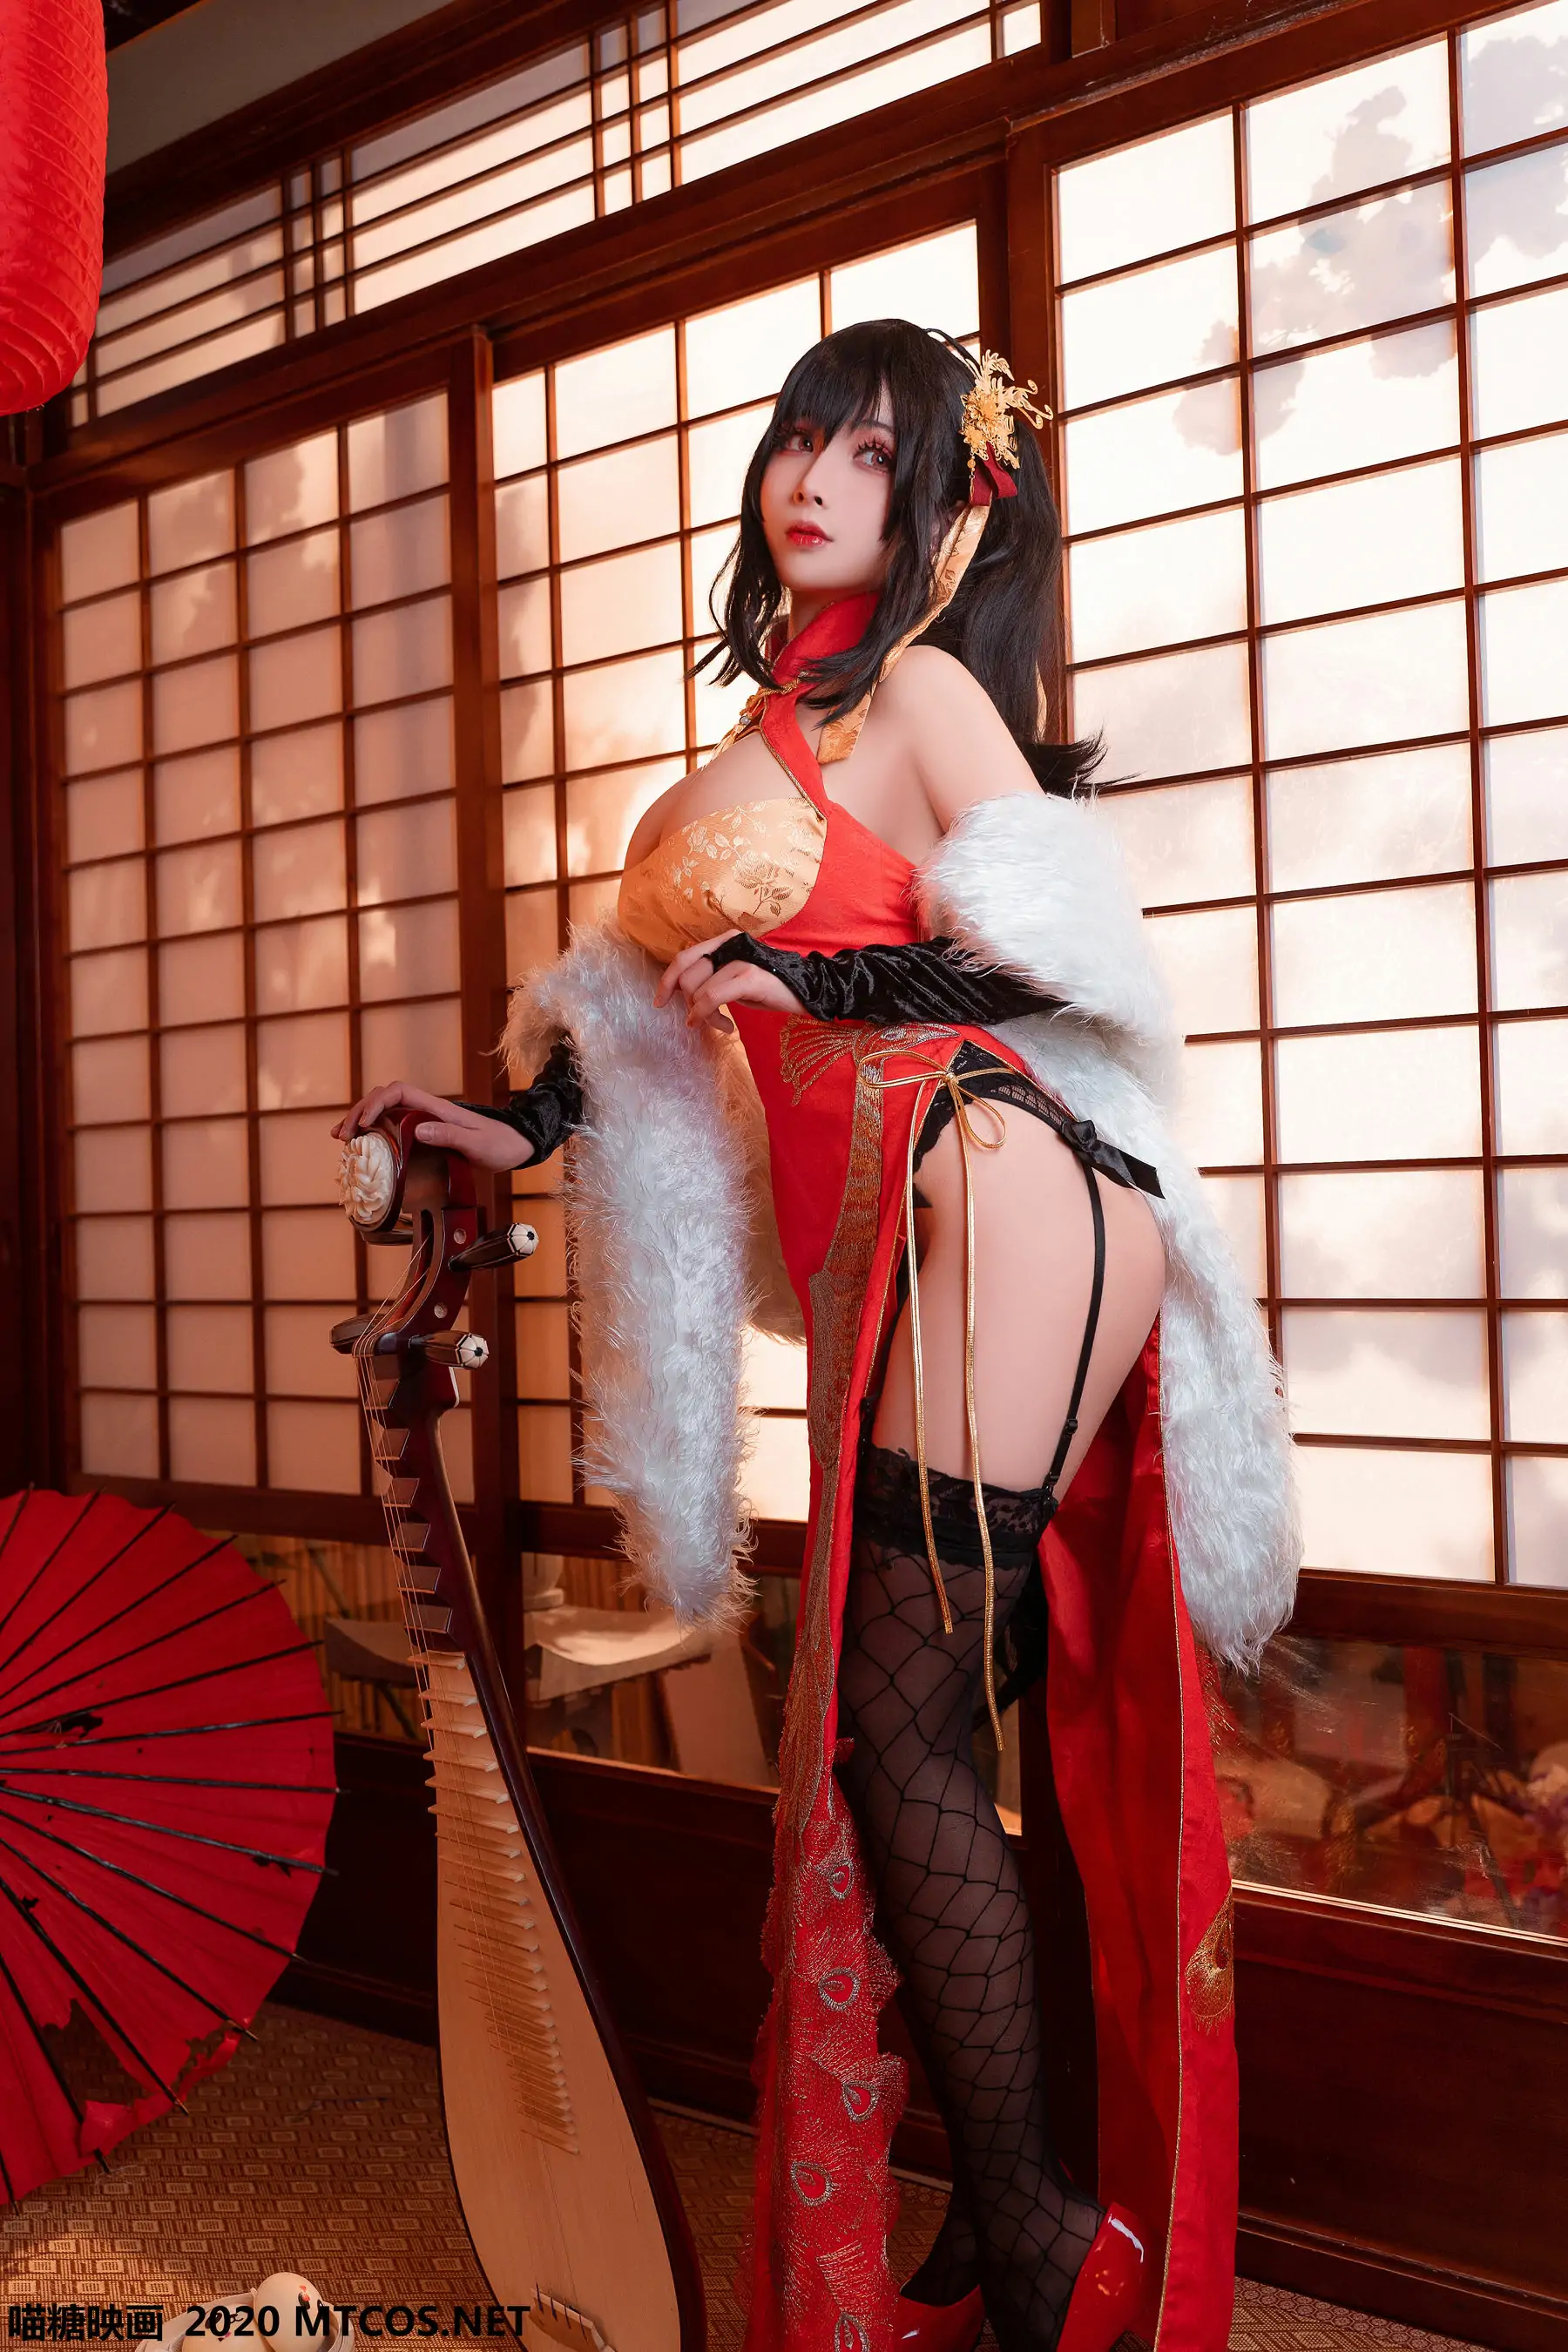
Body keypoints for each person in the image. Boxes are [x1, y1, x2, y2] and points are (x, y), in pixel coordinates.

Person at [333, 322, 1300, 2352]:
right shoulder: (745, 746)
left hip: (1004, 1176)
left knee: (891, 1706)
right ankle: (1011, 2204)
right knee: (928, 1724)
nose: (815, 476)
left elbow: (1073, 968)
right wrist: (507, 1124)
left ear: (941, 509)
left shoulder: (930, 695)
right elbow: (631, 1031)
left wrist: (821, 982)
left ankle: (1037, 2239)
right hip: (910, 1227)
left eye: (872, 452)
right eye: (800, 437)